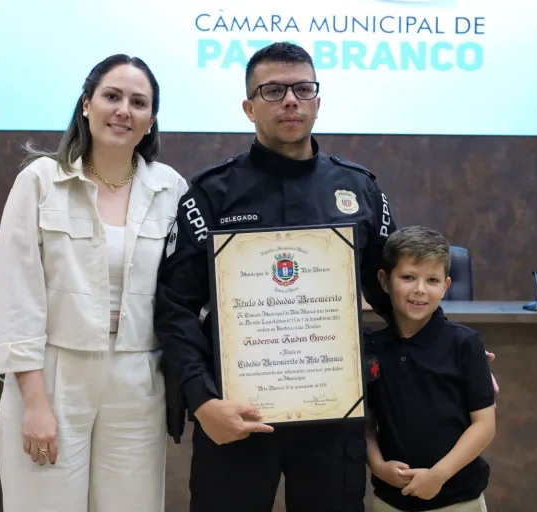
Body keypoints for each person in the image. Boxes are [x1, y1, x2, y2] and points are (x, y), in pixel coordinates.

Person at [153, 41, 397, 512]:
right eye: (272, 90)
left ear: (318, 102)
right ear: (248, 107)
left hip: (333, 415)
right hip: (236, 414)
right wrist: (202, 402)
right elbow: (174, 308)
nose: (290, 100)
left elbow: (391, 291)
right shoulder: (211, 194)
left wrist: (450, 350)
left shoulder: (359, 189)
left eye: (302, 88)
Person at [0, 54, 187, 512]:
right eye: (112, 96)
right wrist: (35, 404)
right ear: (86, 104)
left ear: (151, 120)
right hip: (54, 375)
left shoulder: (171, 188)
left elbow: (184, 293)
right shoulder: (40, 181)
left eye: (138, 102)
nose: (124, 110)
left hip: (139, 375)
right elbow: (18, 297)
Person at [364, 226, 496, 512]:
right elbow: (366, 422)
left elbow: (484, 425)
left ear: (446, 285)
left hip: (459, 499)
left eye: (432, 280)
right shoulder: (371, 347)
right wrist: (377, 466)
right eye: (408, 277)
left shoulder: (466, 344)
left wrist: (438, 475)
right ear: (385, 281)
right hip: (390, 500)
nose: (420, 290)